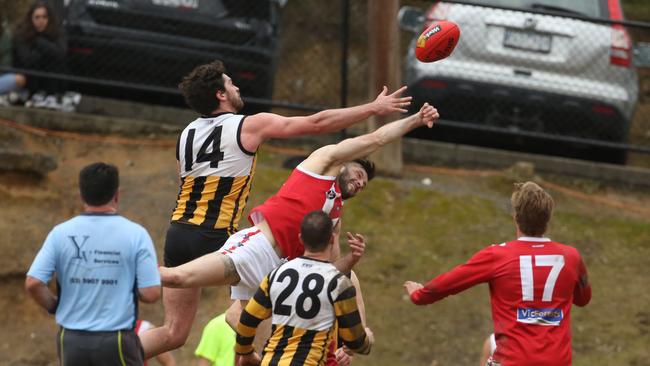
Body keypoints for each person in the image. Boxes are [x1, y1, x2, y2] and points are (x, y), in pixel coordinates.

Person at [139, 59, 412, 358]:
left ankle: (108, 356)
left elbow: (183, 180)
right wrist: (372, 108)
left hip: (178, 232)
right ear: (220, 94)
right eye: (231, 83)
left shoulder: (186, 135)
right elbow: (316, 123)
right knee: (285, 303)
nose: (237, 86)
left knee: (174, 333)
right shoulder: (248, 124)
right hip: (217, 236)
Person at [158, 101, 438, 326]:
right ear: (346, 162)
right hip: (255, 249)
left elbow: (329, 271)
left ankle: (351, 343)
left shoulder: (332, 219)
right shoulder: (323, 162)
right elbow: (377, 138)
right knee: (176, 278)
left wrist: (352, 258)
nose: (362, 182)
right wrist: (415, 120)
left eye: (364, 184)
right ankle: (126, 263)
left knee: (257, 323)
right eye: (360, 173)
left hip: (276, 268)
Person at [404, 182, 592, 366]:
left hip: (513, 360)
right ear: (548, 219)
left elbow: (448, 283)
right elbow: (583, 299)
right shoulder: (571, 256)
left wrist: (418, 295)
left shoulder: (498, 255)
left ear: (516, 218)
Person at [24, 162, 161, 366]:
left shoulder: (59, 233)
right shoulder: (136, 234)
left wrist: (54, 306)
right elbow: (151, 293)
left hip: (70, 340)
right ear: (117, 194)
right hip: (115, 339)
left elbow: (33, 283)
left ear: (81, 194)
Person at [235, 211, 373, 366]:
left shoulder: (276, 275)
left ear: (301, 238)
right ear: (332, 239)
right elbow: (355, 341)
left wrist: (245, 352)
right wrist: (367, 338)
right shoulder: (338, 283)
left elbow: (247, 319)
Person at [12, 1, 78, 110]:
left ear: (49, 18)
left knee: (57, 62)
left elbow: (61, 53)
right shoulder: (22, 34)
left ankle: (52, 97)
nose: (40, 21)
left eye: (44, 17)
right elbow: (27, 59)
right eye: (37, 17)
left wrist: (39, 42)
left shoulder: (57, 33)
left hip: (52, 77)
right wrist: (49, 50)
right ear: (31, 19)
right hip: (30, 76)